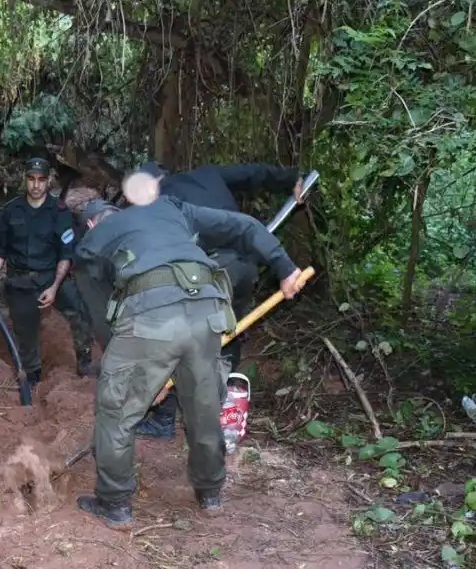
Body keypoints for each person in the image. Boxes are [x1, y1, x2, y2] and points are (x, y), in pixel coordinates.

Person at [71, 184, 306, 530]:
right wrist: (285, 268)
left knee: (116, 410)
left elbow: (103, 321)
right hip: (208, 313)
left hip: (150, 320)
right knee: (204, 406)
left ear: (90, 225)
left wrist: (138, 375)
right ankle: (210, 493)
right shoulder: (170, 207)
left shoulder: (90, 245)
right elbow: (245, 225)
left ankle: (114, 502)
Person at [131, 160, 306, 439]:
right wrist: (290, 178)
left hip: (212, 271)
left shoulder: (162, 204)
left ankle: (166, 419)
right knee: (229, 333)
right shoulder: (207, 174)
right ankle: (219, 405)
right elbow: (253, 171)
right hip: (246, 266)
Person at [0, 157, 97, 386]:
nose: (36, 185)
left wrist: (53, 288)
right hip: (20, 281)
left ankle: (85, 362)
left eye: (41, 179)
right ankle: (32, 376)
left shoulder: (60, 212)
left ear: (48, 180)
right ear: (25, 180)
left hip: (52, 277)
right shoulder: (11, 211)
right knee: (25, 329)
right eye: (31, 179)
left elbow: (66, 254)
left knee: (80, 310)